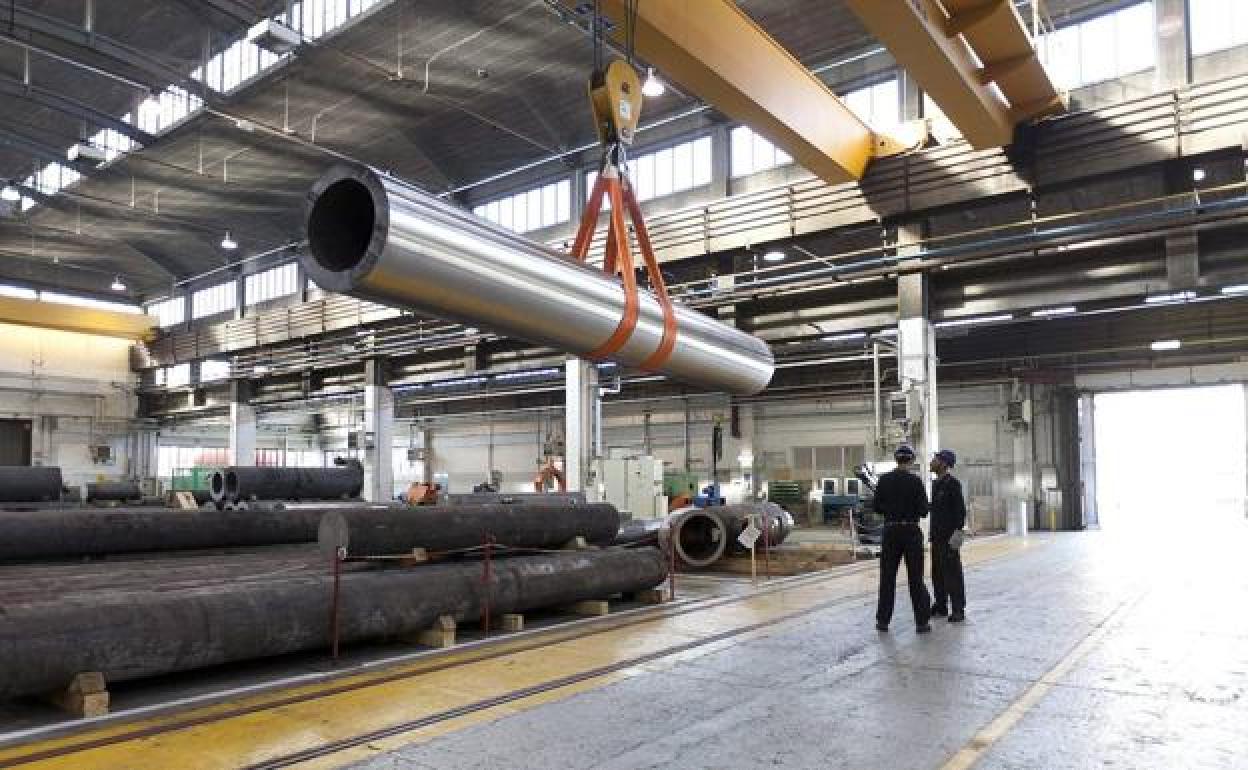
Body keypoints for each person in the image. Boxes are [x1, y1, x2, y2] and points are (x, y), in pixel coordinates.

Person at [873, 444, 933, 634]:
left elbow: (877, 507)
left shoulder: (884, 480)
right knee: (915, 578)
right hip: (911, 532)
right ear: (912, 460)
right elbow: (923, 511)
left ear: (896, 458)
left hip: (890, 532)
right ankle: (922, 622)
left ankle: (883, 621)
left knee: (887, 578)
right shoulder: (915, 482)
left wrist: (892, 509)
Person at [929, 449, 967, 623]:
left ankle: (958, 608)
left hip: (949, 538)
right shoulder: (935, 484)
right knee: (937, 573)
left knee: (952, 573)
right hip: (936, 537)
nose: (931, 462)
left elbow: (960, 512)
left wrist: (957, 538)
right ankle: (941, 605)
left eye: (935, 459)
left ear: (943, 463)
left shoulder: (953, 484)